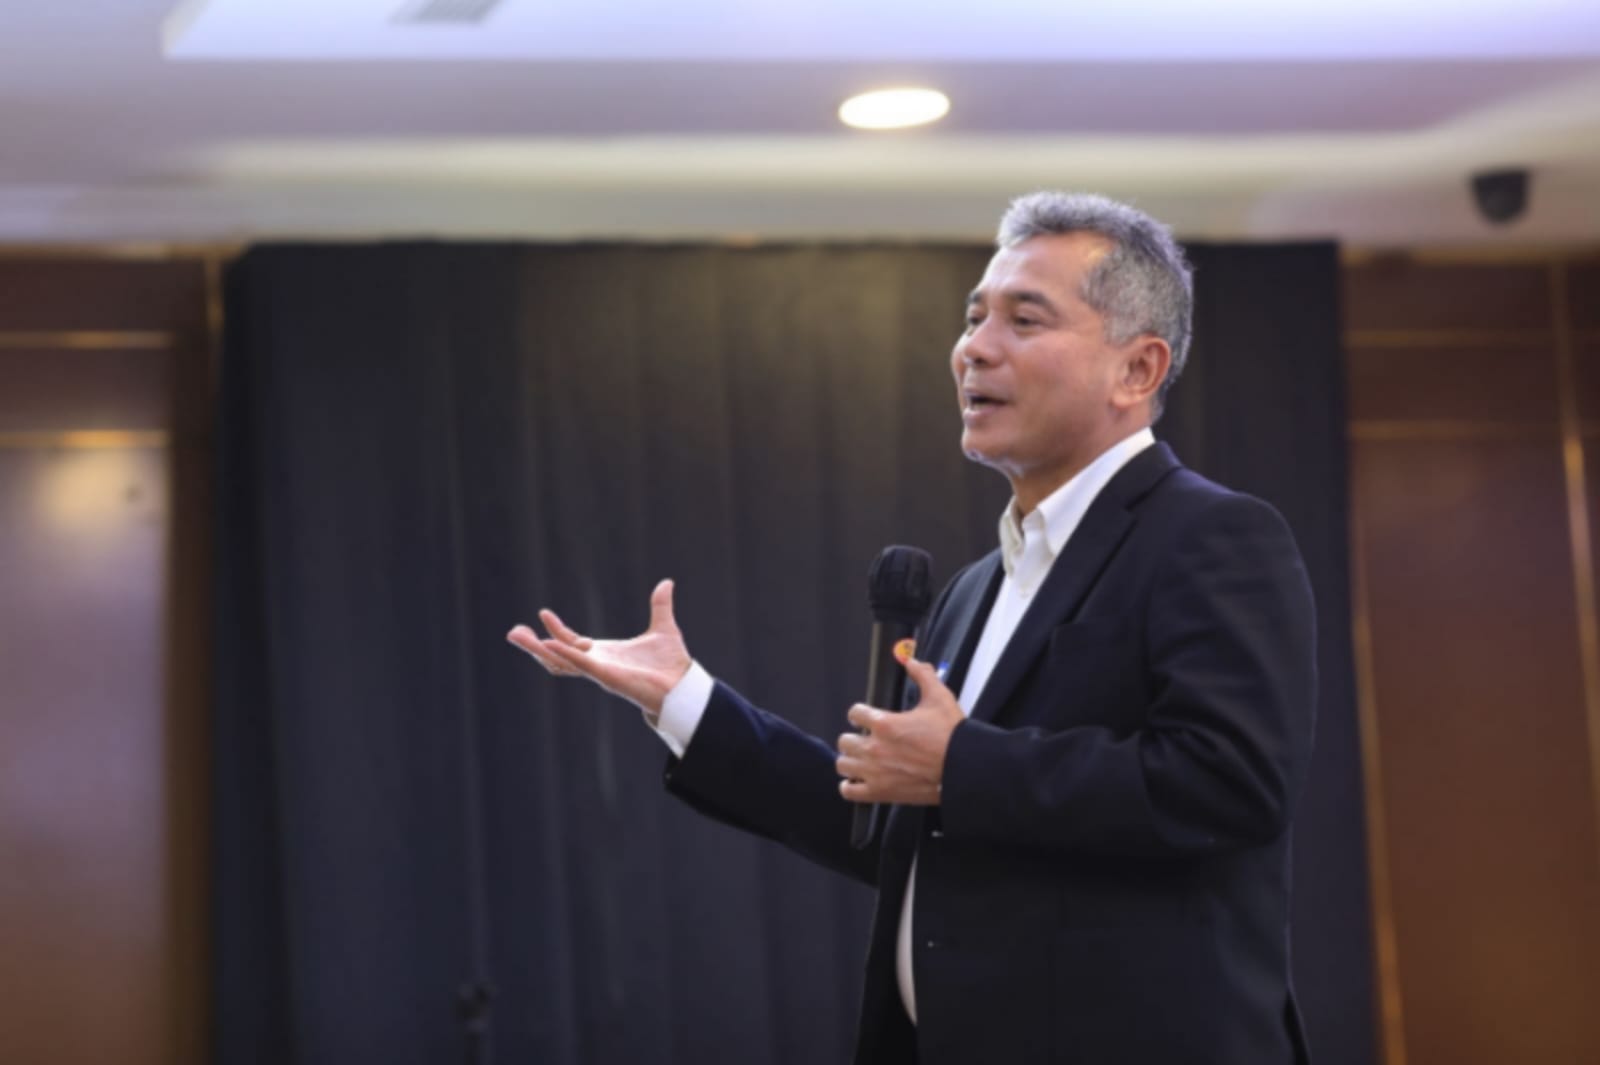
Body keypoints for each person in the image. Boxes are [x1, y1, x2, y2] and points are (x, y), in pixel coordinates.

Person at [508, 191, 1317, 1065]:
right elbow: (899, 830)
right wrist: (685, 700)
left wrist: (960, 764)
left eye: (1024, 319)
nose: (974, 347)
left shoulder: (1210, 535)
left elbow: (1229, 783)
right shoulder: (974, 589)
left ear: (1138, 369)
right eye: (973, 317)